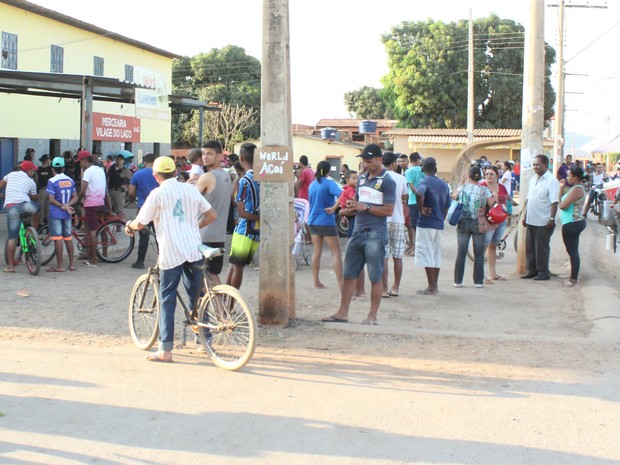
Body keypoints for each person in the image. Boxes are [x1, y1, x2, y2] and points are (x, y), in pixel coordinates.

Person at [124, 156, 217, 363]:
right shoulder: (191, 189)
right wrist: (193, 228)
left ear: (156, 176)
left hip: (171, 251)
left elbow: (141, 222)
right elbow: (212, 215)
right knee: (197, 295)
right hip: (193, 248)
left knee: (167, 298)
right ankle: (204, 340)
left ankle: (165, 350)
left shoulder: (158, 193)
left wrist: (129, 226)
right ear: (176, 172)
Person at [321, 143, 396, 326]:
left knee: (375, 276)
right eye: (363, 160)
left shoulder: (387, 181)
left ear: (379, 159)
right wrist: (350, 209)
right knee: (349, 274)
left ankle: (372, 316)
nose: (365, 164)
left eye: (369, 161)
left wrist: (366, 207)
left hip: (375, 234)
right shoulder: (362, 179)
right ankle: (342, 312)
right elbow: (360, 204)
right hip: (357, 231)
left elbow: (389, 210)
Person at [196, 140, 232, 285]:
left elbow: (191, 200)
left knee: (198, 277)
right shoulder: (226, 175)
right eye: (203, 154)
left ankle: (206, 305)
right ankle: (220, 307)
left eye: (209, 154)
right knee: (212, 274)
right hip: (219, 234)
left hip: (204, 233)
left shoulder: (206, 177)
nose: (205, 157)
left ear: (219, 156)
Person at [414, 157, 451, 295]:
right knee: (436, 254)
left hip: (426, 223)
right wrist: (442, 217)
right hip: (438, 223)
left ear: (423, 169)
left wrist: (421, 209)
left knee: (427, 253)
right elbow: (447, 205)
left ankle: (431, 286)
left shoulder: (424, 181)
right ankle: (434, 285)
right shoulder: (443, 184)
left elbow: (419, 193)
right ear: (435, 169)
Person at [453, 166, 494, 288]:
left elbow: (453, 196)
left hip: (463, 222)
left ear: (469, 176)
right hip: (479, 223)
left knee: (461, 252)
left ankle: (458, 281)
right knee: (479, 253)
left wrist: (461, 182)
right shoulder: (485, 190)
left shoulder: (462, 188)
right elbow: (491, 204)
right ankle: (478, 282)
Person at [226, 142, 260, 290]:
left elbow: (241, 212)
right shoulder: (262, 178)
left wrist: (259, 218)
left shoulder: (245, 181)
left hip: (244, 229)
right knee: (234, 265)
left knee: (236, 267)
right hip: (256, 232)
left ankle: (231, 303)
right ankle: (226, 300)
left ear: (241, 158)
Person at [521, 154, 560, 281]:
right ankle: (531, 270)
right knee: (530, 246)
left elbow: (554, 201)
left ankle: (543, 272)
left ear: (545, 165)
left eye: (538, 164)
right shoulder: (533, 179)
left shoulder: (551, 181)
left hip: (543, 220)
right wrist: (525, 215)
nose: (535, 167)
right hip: (531, 218)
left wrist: (552, 219)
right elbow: (529, 199)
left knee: (541, 248)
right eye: (534, 164)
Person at [307, 160, 343, 289]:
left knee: (317, 251)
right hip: (326, 221)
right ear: (328, 171)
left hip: (313, 221)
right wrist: (334, 207)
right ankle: (341, 284)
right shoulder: (329, 183)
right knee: (336, 253)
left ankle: (316, 281)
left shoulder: (312, 185)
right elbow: (342, 195)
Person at [0, 160, 40, 273]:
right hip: (25, 206)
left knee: (12, 237)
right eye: (33, 170)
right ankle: (34, 230)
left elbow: (1, 184)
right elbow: (34, 198)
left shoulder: (11, 175)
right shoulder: (31, 182)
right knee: (38, 209)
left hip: (11, 207)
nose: (33, 172)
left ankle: (10, 267)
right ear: (28, 170)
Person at [381, 152, 408, 297]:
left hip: (383, 220)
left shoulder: (379, 177)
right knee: (398, 256)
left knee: (384, 256)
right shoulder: (401, 178)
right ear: (393, 164)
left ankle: (384, 289)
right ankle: (395, 287)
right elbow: (405, 197)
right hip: (398, 219)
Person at [76, 150, 109, 267]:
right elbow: (105, 188)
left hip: (91, 204)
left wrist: (78, 200)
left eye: (80, 163)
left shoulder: (87, 172)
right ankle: (104, 255)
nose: (80, 165)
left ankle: (93, 260)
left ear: (84, 161)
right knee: (102, 228)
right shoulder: (100, 170)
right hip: (101, 202)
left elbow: (83, 190)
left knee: (92, 231)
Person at [480, 165, 513, 283]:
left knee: (493, 245)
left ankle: (492, 273)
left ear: (497, 176)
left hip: (501, 219)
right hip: (488, 220)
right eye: (487, 174)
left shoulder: (501, 187)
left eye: (491, 174)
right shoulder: (482, 186)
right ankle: (480, 275)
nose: (488, 176)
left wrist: (511, 202)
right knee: (484, 246)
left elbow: (506, 197)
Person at [46, 157, 78, 272]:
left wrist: (61, 206)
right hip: (67, 214)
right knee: (68, 238)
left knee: (58, 239)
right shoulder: (70, 180)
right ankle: (72, 264)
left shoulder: (52, 181)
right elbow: (75, 197)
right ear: (63, 168)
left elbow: (51, 199)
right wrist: (67, 205)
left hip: (55, 213)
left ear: (52, 169)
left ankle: (60, 265)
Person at [128, 152, 160, 269]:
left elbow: (131, 191)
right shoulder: (159, 174)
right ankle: (161, 261)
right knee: (159, 235)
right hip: (159, 209)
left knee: (143, 236)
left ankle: (140, 261)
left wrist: (133, 198)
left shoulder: (138, 174)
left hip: (143, 207)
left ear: (144, 162)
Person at [558, 165, 588, 287]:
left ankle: (573, 279)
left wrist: (561, 203)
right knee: (572, 250)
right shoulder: (575, 188)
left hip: (572, 222)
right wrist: (561, 188)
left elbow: (562, 206)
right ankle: (573, 276)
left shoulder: (577, 189)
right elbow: (561, 200)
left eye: (569, 176)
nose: (567, 178)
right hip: (572, 222)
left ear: (576, 177)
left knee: (572, 251)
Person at [404, 152, 424, 256]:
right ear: (417, 160)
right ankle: (415, 247)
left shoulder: (408, 172)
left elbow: (410, 186)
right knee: (421, 225)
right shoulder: (423, 170)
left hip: (413, 200)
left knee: (414, 226)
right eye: (420, 160)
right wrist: (421, 196)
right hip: (423, 200)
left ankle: (415, 247)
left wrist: (417, 194)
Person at [36, 154, 53, 223]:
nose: (50, 161)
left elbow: (36, 180)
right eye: (49, 159)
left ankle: (40, 223)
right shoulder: (51, 169)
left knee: (41, 207)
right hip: (49, 190)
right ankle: (47, 223)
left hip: (42, 190)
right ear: (46, 160)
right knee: (48, 207)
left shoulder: (39, 170)